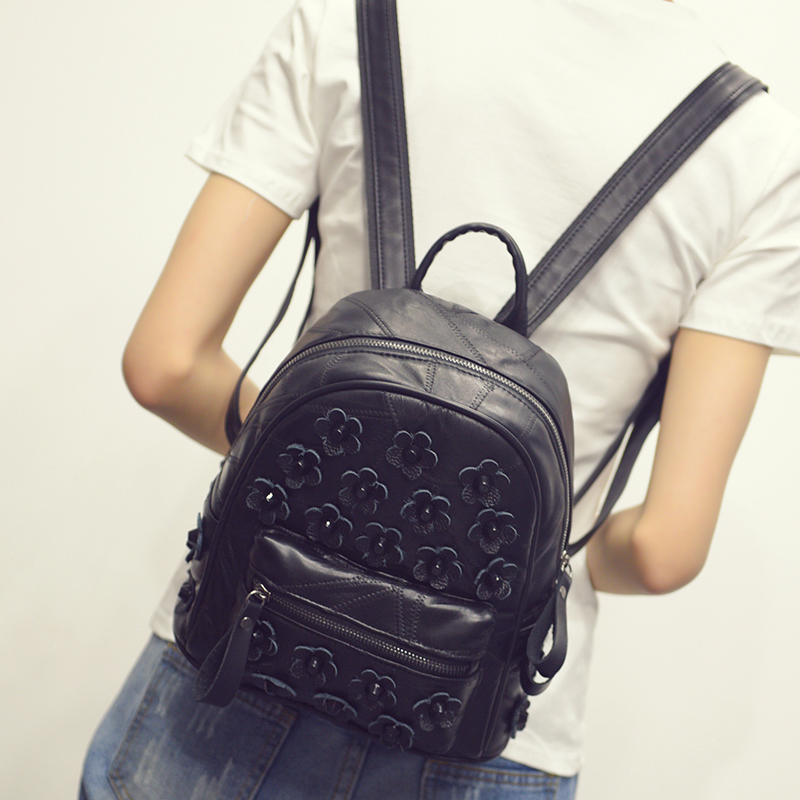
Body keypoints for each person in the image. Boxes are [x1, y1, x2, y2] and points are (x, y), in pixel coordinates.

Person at [80, 0, 800, 798]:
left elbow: (166, 364)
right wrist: (546, 557)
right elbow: (665, 549)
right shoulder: (759, 150)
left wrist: (324, 479)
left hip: (244, 645)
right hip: (486, 727)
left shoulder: (356, 17)